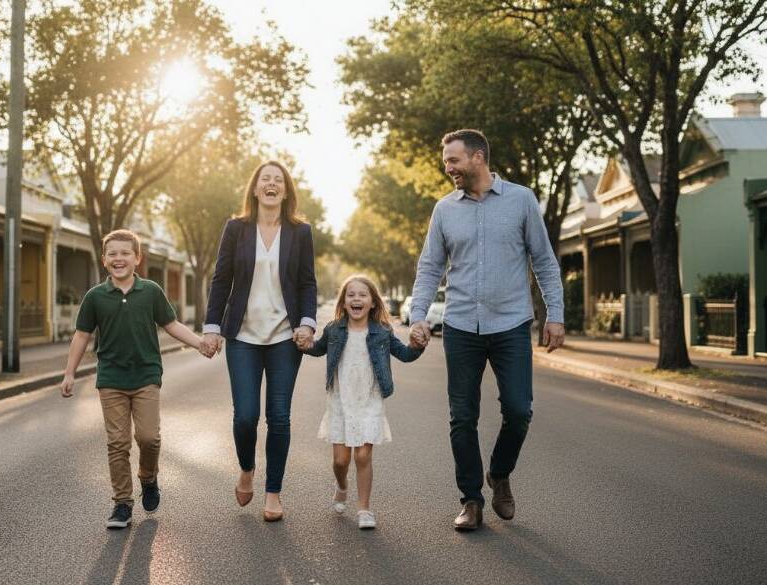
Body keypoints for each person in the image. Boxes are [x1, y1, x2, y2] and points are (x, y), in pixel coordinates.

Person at [409, 129, 565, 532]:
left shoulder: (522, 200)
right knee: (462, 417)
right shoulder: (444, 209)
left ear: (478, 157)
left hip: (511, 323)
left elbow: (544, 260)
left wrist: (556, 314)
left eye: (454, 160)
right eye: (447, 162)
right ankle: (471, 500)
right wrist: (418, 315)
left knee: (518, 410)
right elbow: (429, 267)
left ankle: (499, 471)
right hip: (461, 325)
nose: (449, 168)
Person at [60, 229, 210, 529]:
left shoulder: (151, 291)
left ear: (137, 258)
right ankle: (122, 504)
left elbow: (171, 324)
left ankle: (148, 477)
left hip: (146, 376)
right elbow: (81, 336)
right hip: (111, 378)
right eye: (112, 254)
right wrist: (69, 373)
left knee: (148, 438)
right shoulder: (95, 297)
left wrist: (199, 343)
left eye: (125, 253)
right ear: (104, 261)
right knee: (117, 442)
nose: (119, 259)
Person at [201, 160, 317, 522]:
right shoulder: (236, 228)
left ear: (285, 190)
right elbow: (221, 280)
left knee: (279, 417)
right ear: (255, 189)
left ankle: (273, 492)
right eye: (265, 179)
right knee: (246, 416)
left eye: (277, 180)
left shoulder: (300, 231)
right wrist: (211, 326)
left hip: (284, 336)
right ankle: (247, 469)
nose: (271, 184)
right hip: (244, 337)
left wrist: (308, 323)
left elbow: (307, 282)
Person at [302, 274, 424, 529]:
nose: (356, 299)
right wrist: (304, 344)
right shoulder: (334, 329)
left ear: (373, 303)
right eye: (351, 295)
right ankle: (342, 485)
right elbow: (318, 348)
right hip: (340, 400)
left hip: (369, 400)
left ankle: (364, 509)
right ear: (344, 303)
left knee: (363, 455)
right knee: (340, 461)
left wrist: (416, 346)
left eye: (362, 295)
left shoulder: (382, 332)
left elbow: (404, 354)